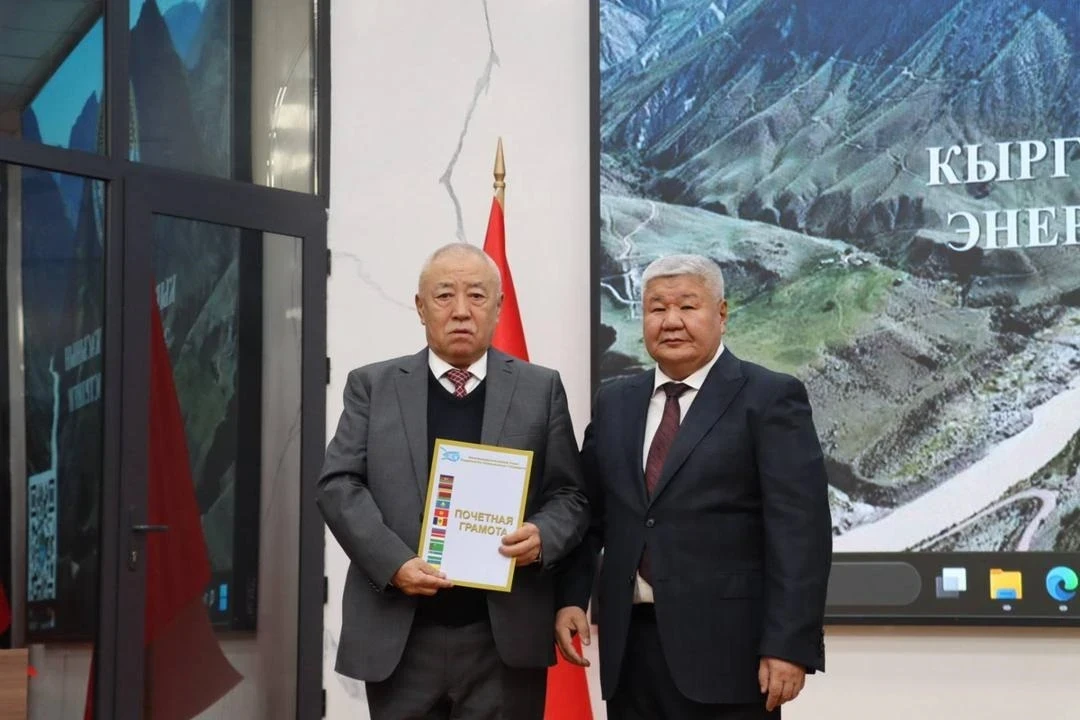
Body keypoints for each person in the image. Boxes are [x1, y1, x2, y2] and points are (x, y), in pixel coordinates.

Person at [318, 242, 589, 720]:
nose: (461, 311)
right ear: (420, 307)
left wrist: (544, 536)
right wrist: (393, 563)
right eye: (444, 295)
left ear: (498, 306)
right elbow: (338, 484)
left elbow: (569, 494)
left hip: (502, 638)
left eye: (477, 296)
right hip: (401, 634)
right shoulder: (373, 385)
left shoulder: (540, 388)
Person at [555, 254, 832, 719]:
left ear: (721, 314)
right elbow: (590, 513)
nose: (671, 321)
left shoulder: (769, 397)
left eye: (687, 306)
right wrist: (570, 596)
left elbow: (800, 532)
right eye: (657, 308)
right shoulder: (616, 402)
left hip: (730, 656)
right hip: (630, 653)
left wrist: (789, 644)